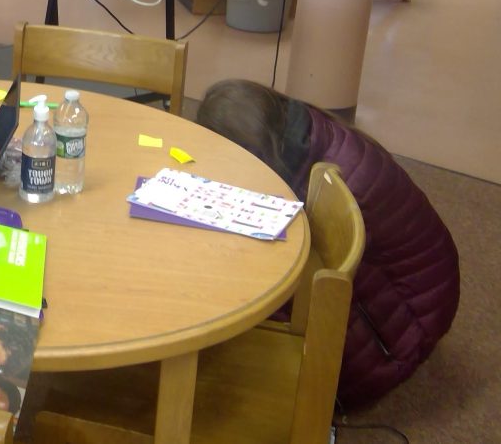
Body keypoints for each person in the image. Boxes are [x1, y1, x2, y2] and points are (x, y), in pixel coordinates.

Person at [195, 79, 461, 408]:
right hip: (423, 298)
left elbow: (284, 284)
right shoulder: (311, 132)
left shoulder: (316, 194)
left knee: (224, 294)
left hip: (395, 340)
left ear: (253, 151)